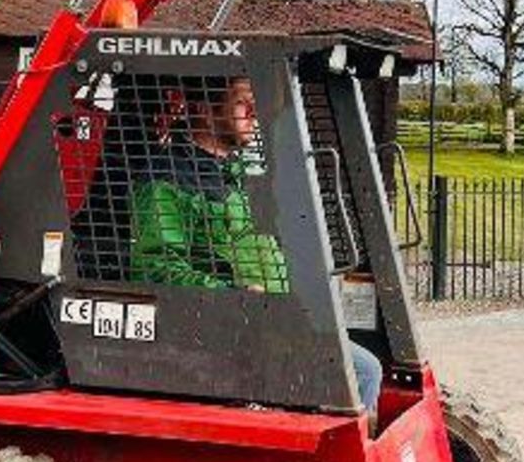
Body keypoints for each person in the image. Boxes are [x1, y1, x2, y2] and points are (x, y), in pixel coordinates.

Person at [127, 75, 382, 420]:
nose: (255, 114)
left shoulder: (234, 172)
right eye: (244, 103)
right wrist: (234, 293)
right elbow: (156, 267)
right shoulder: (166, 179)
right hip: (221, 324)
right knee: (362, 371)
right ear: (203, 109)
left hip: (270, 316)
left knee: (362, 367)